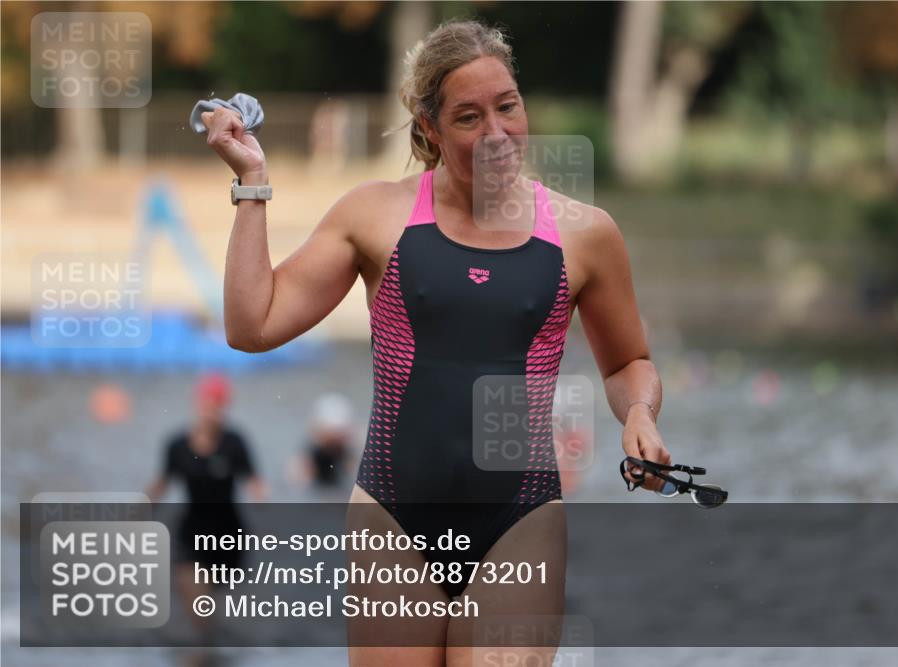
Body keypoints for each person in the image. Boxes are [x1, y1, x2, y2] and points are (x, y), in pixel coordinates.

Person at [200, 17, 668, 666]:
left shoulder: (584, 234)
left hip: (520, 519)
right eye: (470, 118)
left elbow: (628, 362)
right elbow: (252, 325)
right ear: (431, 129)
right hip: (393, 516)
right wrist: (251, 183)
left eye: (508, 107)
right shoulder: (375, 215)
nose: (498, 133)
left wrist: (640, 413)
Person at [145, 373, 267, 636]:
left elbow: (254, 481)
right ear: (197, 404)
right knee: (201, 617)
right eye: (207, 404)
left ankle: (214, 650)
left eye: (218, 405)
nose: (211, 412)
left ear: (225, 408)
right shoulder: (177, 445)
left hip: (229, 538)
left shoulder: (234, 443)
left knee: (217, 613)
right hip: (190, 537)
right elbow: (161, 484)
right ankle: (198, 652)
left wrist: (263, 497)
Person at [286, 392, 355, 489]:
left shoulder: (348, 453)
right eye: (332, 432)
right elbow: (296, 481)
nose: (336, 437)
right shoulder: (308, 457)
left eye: (340, 432)